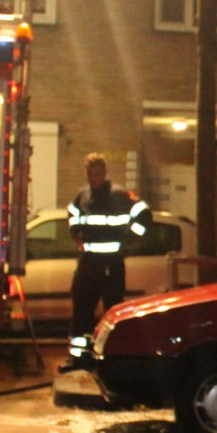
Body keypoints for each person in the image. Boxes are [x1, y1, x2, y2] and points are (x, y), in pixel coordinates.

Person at [62, 152, 151, 370]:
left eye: (98, 173)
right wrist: (76, 234)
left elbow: (144, 215)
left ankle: (113, 357)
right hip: (88, 262)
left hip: (112, 263)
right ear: (86, 173)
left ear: (104, 172)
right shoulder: (82, 196)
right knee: (81, 309)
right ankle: (79, 358)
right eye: (91, 173)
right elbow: (72, 213)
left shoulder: (120, 195)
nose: (95, 177)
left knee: (113, 310)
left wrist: (129, 239)